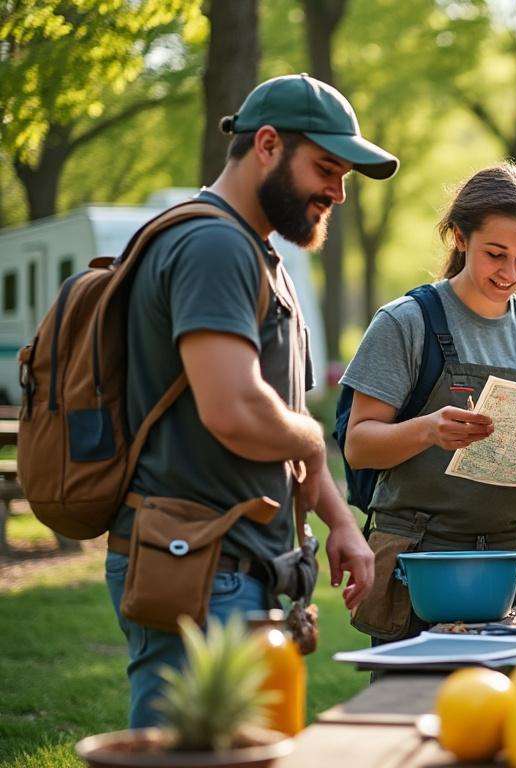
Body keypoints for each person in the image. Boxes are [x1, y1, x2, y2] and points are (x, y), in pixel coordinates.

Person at [106, 74, 381, 727]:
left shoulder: (258, 254)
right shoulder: (213, 245)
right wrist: (315, 443)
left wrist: (340, 522)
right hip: (198, 566)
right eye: (326, 168)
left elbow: (280, 421)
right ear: (266, 145)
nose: (338, 193)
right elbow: (234, 408)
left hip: (234, 564)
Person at [341, 163, 516, 643]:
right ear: (459, 237)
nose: (510, 273)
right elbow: (359, 446)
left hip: (514, 566)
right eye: (496, 254)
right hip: (421, 564)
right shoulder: (406, 323)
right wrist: (428, 430)